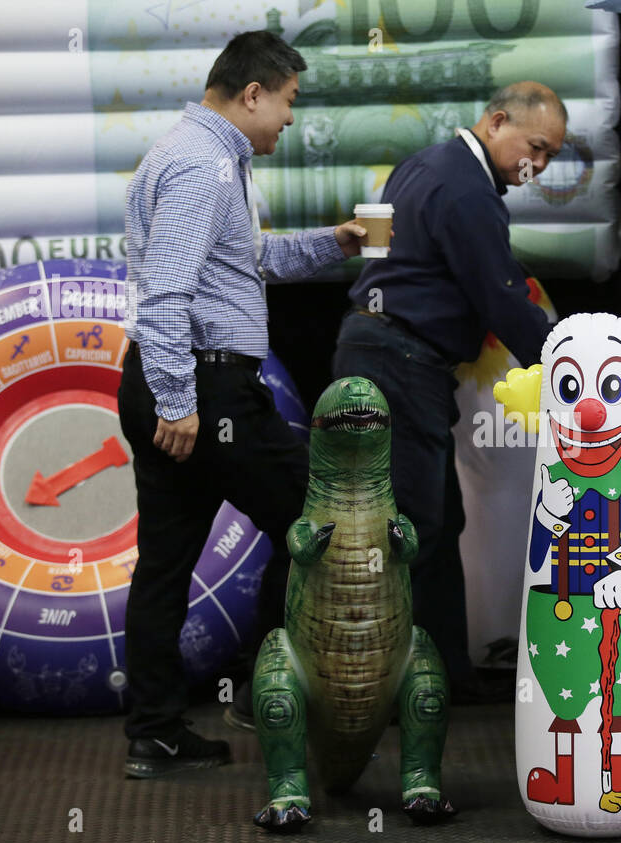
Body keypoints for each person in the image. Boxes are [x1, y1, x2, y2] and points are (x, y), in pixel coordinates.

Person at [119, 30, 368, 778]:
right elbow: (165, 293)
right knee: (318, 522)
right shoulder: (204, 166)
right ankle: (270, 702)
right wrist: (176, 401)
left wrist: (337, 241)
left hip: (184, 384)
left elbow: (250, 262)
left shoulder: (195, 154)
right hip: (202, 387)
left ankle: (154, 734)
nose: (289, 120)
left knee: (163, 565)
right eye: (288, 102)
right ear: (253, 93)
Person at [331, 82, 567, 702]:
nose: (538, 165)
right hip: (400, 360)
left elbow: (384, 255)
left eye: (550, 157)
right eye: (536, 147)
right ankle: (370, 690)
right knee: (408, 530)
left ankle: (443, 681)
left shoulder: (423, 164)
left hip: (378, 349)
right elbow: (500, 295)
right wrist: (570, 366)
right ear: (496, 122)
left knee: (433, 523)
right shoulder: (466, 189)